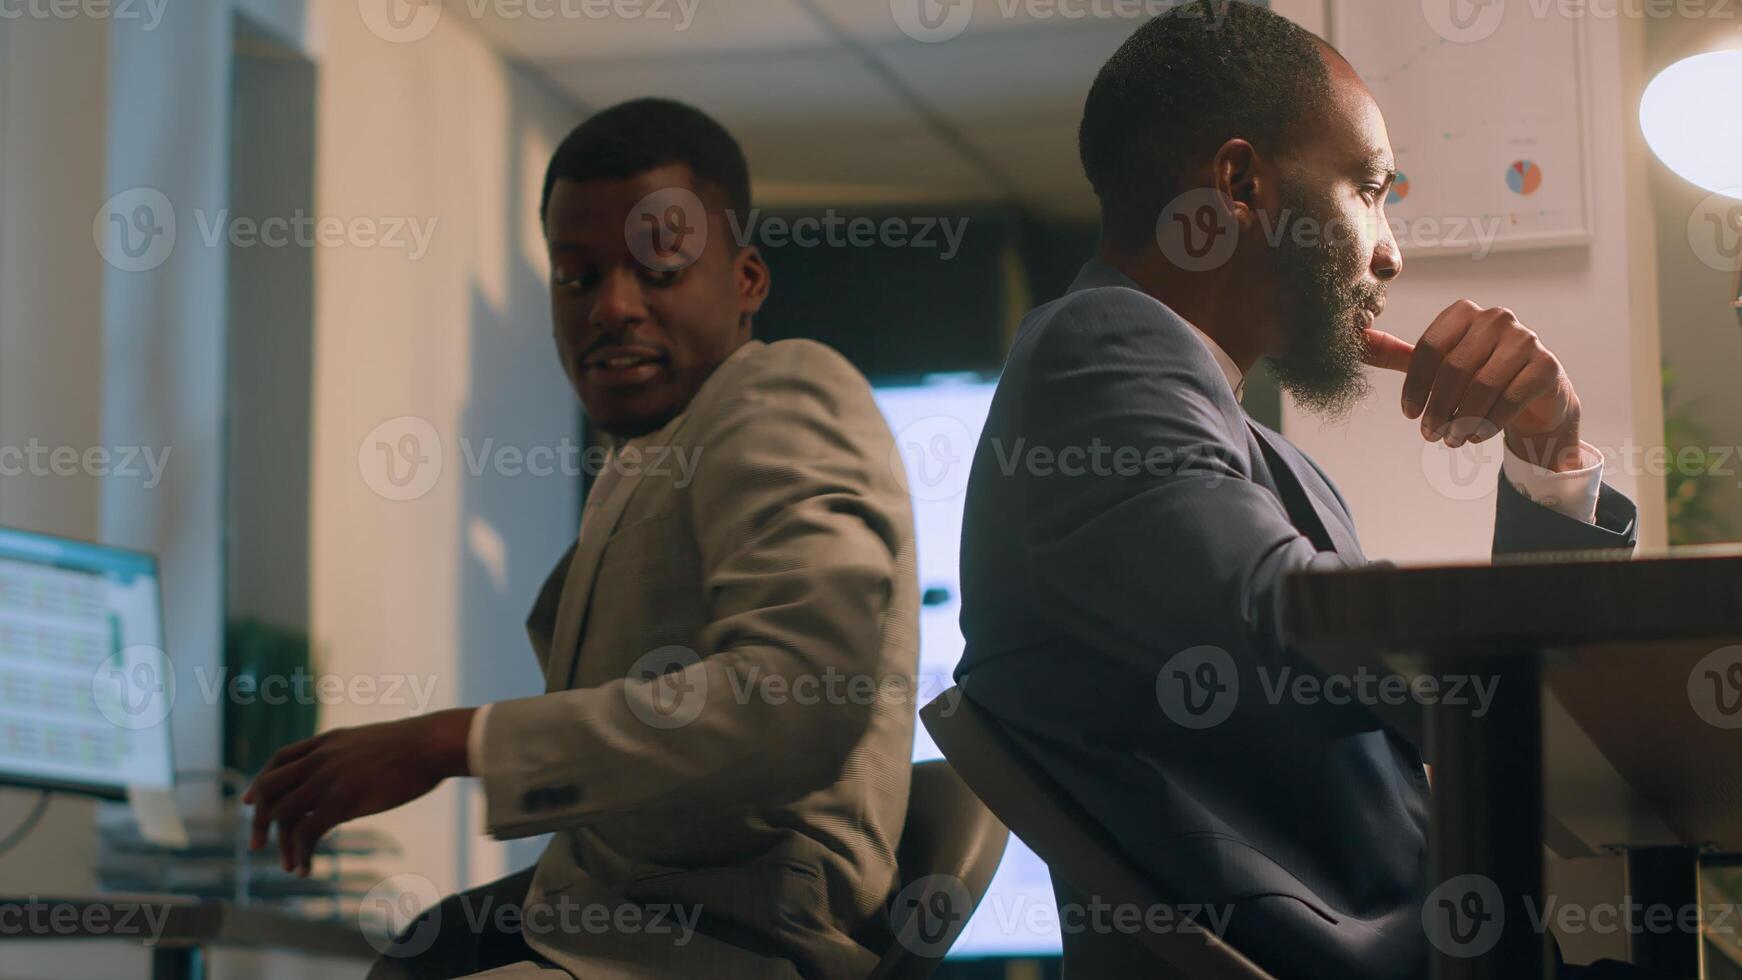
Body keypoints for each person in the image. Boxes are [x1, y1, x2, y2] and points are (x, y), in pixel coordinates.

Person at [955, 5, 1680, 978]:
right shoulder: (1095, 356)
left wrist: (1546, 454)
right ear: (1240, 185)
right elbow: (1308, 632)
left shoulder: (1244, 440)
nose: (1388, 250)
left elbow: (1493, 714)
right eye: (1369, 190)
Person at [244, 98, 920, 980]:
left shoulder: (785, 392)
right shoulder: (649, 457)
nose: (613, 307)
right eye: (577, 275)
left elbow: (799, 695)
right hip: (608, 907)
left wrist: (449, 742)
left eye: (660, 268)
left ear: (747, 279)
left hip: (733, 941)